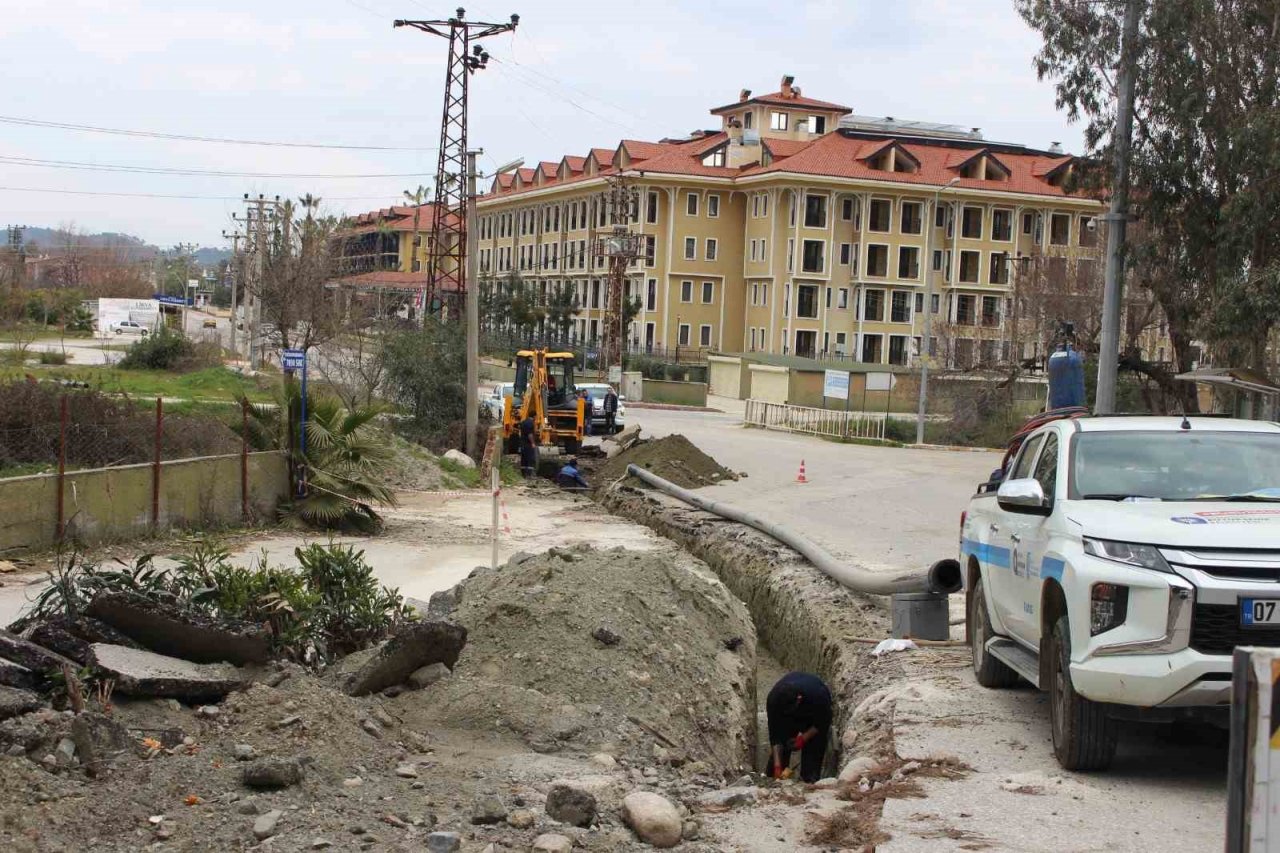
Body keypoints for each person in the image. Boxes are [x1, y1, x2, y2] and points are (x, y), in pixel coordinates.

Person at [766, 671, 833, 783]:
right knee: (780, 753)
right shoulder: (774, 700)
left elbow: (822, 723)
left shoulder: (818, 695)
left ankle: (809, 781)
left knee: (813, 754)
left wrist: (803, 738)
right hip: (786, 719)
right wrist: (777, 767)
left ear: (799, 698)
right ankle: (774, 778)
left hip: (812, 716)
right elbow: (775, 736)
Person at [519, 414, 538, 478]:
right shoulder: (530, 423)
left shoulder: (523, 422)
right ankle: (529, 474)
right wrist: (532, 443)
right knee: (530, 459)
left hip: (523, 443)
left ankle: (523, 474)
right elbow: (530, 434)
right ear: (534, 416)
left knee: (523, 459)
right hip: (528, 444)